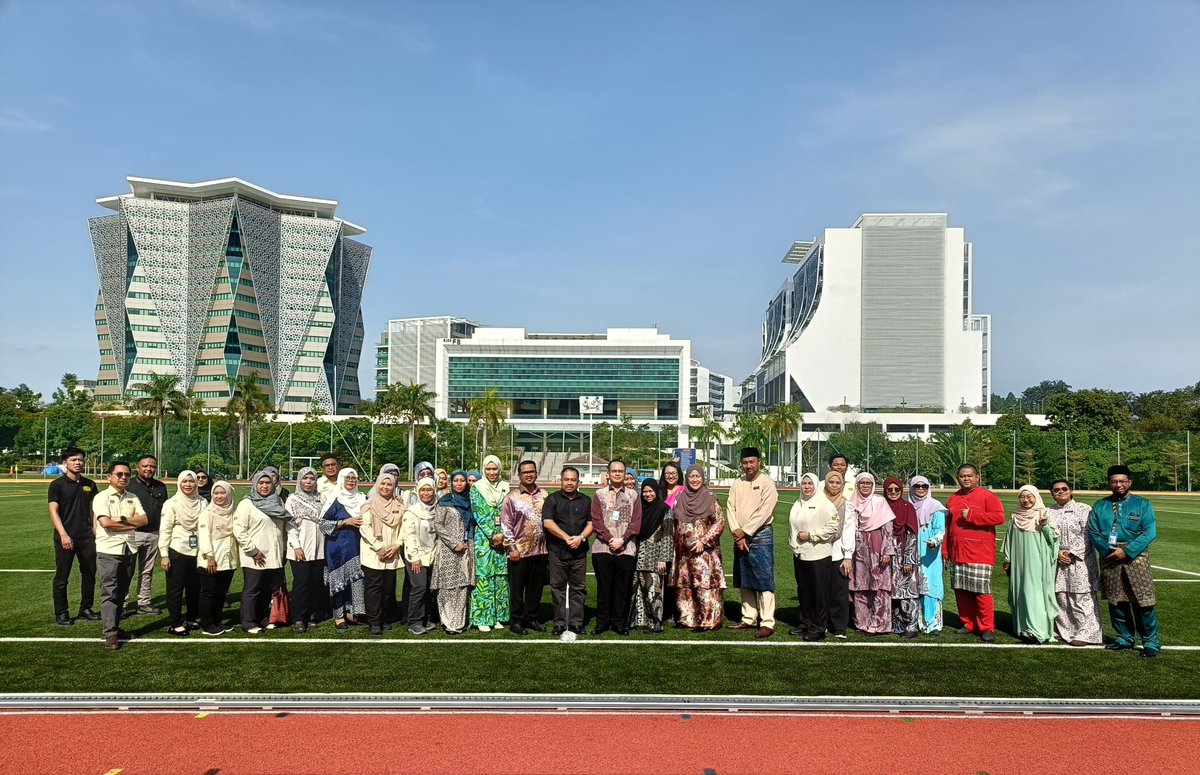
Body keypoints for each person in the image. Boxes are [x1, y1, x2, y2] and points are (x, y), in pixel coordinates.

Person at [1088, 465, 1160, 658]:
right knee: (1116, 599)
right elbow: (1093, 532)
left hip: (1136, 556)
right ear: (1109, 483)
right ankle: (1124, 638)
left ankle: (1150, 642)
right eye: (1114, 481)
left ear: (1129, 483)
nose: (1118, 485)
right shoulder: (1100, 505)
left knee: (1143, 601)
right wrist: (1107, 550)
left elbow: (1149, 531)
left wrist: (1128, 551)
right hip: (1109, 555)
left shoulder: (1142, 504)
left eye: (1122, 481)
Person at [945, 464, 1006, 642]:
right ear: (958, 478)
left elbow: (999, 517)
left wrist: (972, 516)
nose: (966, 479)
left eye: (970, 475)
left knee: (981, 592)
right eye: (962, 476)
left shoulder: (988, 497)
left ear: (977, 477)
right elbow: (949, 526)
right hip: (957, 551)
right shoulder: (953, 499)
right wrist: (946, 549)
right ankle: (968, 623)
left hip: (980, 553)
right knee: (961, 589)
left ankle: (987, 627)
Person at [91, 461, 148, 650]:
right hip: (109, 550)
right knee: (110, 592)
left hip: (129, 549)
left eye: (127, 475)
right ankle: (110, 634)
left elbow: (144, 519)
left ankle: (115, 627)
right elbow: (106, 523)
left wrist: (121, 520)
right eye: (119, 474)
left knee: (122, 592)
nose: (123, 477)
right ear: (109, 477)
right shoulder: (101, 497)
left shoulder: (132, 497)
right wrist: (131, 523)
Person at [726, 447, 780, 638]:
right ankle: (749, 618)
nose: (748, 466)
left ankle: (767, 622)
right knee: (744, 579)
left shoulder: (767, 483)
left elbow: (765, 511)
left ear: (759, 462)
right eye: (745, 462)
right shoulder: (737, 483)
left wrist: (745, 532)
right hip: (739, 537)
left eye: (752, 462)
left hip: (761, 535)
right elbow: (730, 508)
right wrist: (737, 533)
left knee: (764, 580)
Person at [590, 459, 642, 635]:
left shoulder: (633, 495)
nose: (618, 474)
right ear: (608, 474)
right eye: (614, 471)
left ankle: (619, 623)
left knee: (622, 588)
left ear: (625, 473)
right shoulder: (599, 494)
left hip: (626, 549)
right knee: (604, 588)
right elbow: (596, 521)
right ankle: (602, 622)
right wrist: (611, 539)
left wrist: (623, 540)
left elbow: (636, 522)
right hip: (603, 548)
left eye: (621, 471)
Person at [232, 470, 289, 634]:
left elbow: (282, 530)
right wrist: (252, 550)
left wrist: (283, 551)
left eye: (268, 483)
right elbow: (239, 529)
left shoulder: (278, 502)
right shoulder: (247, 503)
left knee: (268, 588)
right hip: (256, 556)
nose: (264, 486)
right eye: (261, 483)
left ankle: (263, 617)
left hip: (274, 554)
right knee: (253, 589)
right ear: (255, 485)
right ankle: (249, 622)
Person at [47, 446, 99, 626]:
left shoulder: (90, 484)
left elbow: (94, 511)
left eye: (80, 460)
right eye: (73, 460)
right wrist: (63, 535)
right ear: (65, 463)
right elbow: (53, 511)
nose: (77, 463)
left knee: (89, 575)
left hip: (86, 538)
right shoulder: (57, 485)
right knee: (62, 577)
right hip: (66, 537)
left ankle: (86, 608)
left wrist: (96, 533)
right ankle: (61, 613)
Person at [670, 466, 726, 631]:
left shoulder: (710, 499)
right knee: (684, 586)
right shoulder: (680, 498)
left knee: (705, 585)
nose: (694, 480)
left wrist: (704, 540)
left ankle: (708, 620)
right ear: (686, 479)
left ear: (702, 478)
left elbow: (719, 522)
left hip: (704, 552)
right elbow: (674, 522)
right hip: (683, 553)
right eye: (691, 477)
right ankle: (688, 619)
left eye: (697, 476)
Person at [1003, 484, 1059, 644]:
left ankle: (1037, 631)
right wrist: (1007, 559)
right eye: (1022, 497)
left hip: (1037, 561)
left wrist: (1044, 525)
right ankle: (1023, 628)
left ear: (1036, 497)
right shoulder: (1015, 516)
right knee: (1020, 593)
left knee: (1034, 592)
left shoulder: (1043, 514)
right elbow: (1009, 540)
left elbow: (1053, 539)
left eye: (1029, 497)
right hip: (1019, 561)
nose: (1026, 500)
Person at [1048, 479, 1102, 646]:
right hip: (1057, 560)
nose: (1061, 492)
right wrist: (1056, 553)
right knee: (1061, 596)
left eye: (1064, 489)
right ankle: (1066, 631)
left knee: (1081, 597)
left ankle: (1087, 633)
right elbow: (1045, 536)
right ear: (1052, 493)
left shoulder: (1084, 509)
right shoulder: (1048, 512)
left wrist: (1072, 553)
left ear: (1071, 491)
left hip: (1081, 560)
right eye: (1056, 490)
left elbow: (1089, 534)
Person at [787, 472, 840, 640]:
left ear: (816, 485)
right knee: (804, 591)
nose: (807, 486)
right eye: (804, 483)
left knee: (819, 593)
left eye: (810, 483)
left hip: (818, 555)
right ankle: (805, 622)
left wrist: (812, 535)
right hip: (800, 554)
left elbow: (833, 527)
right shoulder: (798, 502)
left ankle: (818, 628)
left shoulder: (824, 504)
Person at [542, 466, 592, 635]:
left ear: (578, 482)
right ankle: (559, 623)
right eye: (566, 479)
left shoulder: (586, 500)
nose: (569, 483)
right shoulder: (552, 500)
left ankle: (577, 622)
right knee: (557, 588)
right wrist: (566, 537)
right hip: (557, 551)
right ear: (561, 481)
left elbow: (591, 523)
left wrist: (581, 538)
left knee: (578, 588)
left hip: (579, 552)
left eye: (573, 480)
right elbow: (548, 522)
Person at [501, 460, 548, 636]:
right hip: (519, 552)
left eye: (532, 471)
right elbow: (506, 525)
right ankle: (517, 620)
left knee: (536, 588)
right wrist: (512, 547)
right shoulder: (511, 497)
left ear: (536, 473)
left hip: (541, 550)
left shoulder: (544, 494)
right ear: (519, 475)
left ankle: (531, 618)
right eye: (525, 472)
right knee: (517, 589)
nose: (529, 474)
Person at [319, 468, 367, 629]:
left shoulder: (362, 498)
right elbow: (323, 524)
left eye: (354, 478)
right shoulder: (334, 498)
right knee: (339, 581)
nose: (351, 481)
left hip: (357, 546)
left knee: (356, 580)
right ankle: (338, 616)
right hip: (337, 547)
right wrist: (345, 522)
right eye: (348, 478)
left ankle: (352, 612)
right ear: (341, 479)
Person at [849, 472, 896, 635]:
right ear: (857, 485)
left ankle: (880, 624)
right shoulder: (852, 502)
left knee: (879, 587)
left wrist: (887, 551)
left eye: (868, 483)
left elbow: (888, 529)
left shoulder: (880, 502)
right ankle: (862, 622)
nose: (865, 486)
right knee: (861, 587)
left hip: (877, 547)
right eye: (862, 483)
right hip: (858, 549)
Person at [158, 470, 205, 635]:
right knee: (176, 589)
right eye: (184, 481)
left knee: (195, 588)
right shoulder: (171, 503)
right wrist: (164, 555)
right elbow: (165, 530)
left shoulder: (203, 502)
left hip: (198, 552)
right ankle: (175, 623)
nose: (188, 485)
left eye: (191, 481)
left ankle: (191, 618)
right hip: (177, 550)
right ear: (179, 483)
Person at [359, 469, 405, 636]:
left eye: (389, 484)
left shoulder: (399, 505)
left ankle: (384, 618)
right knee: (373, 589)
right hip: (374, 553)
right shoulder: (369, 504)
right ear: (377, 485)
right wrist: (378, 547)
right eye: (383, 483)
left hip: (391, 552)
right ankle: (374, 621)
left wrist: (397, 545)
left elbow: (402, 528)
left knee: (388, 589)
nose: (386, 487)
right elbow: (365, 528)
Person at [470, 455, 510, 632]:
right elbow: (479, 513)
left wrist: (503, 534)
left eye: (495, 469)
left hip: (503, 538)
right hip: (485, 540)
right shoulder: (477, 488)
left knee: (500, 577)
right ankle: (482, 617)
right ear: (483, 470)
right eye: (488, 469)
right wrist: (494, 535)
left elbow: (509, 512)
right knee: (484, 578)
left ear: (500, 469)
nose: (492, 472)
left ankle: (497, 616)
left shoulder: (505, 487)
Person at [629, 477, 674, 633]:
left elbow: (668, 535)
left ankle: (656, 621)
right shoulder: (639, 509)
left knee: (653, 590)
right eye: (645, 491)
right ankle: (639, 621)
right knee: (638, 589)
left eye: (651, 491)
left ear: (656, 492)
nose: (648, 494)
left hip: (655, 557)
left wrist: (664, 558)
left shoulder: (664, 509)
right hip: (637, 556)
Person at [125, 454, 167, 615]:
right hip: (132, 534)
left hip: (154, 533)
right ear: (138, 467)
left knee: (147, 570)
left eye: (152, 466)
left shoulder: (160, 486)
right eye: (145, 466)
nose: (149, 469)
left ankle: (144, 602)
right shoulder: (129, 485)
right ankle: (123, 603)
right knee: (127, 570)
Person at [433, 471, 475, 635]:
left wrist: (466, 543)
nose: (459, 484)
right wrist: (453, 543)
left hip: (466, 548)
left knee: (462, 585)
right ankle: (448, 622)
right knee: (447, 586)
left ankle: (459, 621)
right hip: (448, 549)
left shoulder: (470, 501)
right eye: (456, 481)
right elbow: (438, 525)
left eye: (462, 481)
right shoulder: (445, 501)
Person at [286, 467, 327, 633]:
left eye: (311, 479)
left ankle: (308, 616)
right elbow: (290, 525)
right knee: (301, 584)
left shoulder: (321, 498)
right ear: (299, 480)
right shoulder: (293, 499)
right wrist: (296, 546)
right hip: (300, 549)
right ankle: (298, 618)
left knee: (314, 584)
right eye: (305, 478)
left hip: (319, 549)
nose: (308, 482)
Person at [196, 481, 238, 636]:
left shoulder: (233, 511)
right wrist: (210, 557)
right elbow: (204, 536)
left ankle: (217, 620)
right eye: (216, 493)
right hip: (212, 558)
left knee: (221, 593)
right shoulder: (207, 513)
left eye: (223, 493)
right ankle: (207, 624)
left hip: (229, 558)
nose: (219, 496)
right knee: (209, 592)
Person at [909, 475, 947, 635]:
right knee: (913, 585)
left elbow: (940, 529)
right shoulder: (908, 506)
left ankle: (932, 624)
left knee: (930, 586)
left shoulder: (935, 506)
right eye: (917, 486)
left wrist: (934, 541)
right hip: (911, 550)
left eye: (924, 486)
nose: (921, 489)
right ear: (911, 488)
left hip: (929, 552)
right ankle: (916, 621)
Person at [883, 477, 921, 638]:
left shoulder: (907, 507)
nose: (893, 493)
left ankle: (911, 626)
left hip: (903, 553)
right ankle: (897, 625)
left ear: (901, 490)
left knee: (907, 592)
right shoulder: (882, 506)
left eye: (896, 490)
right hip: (886, 554)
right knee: (891, 591)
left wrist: (908, 559)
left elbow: (912, 535)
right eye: (889, 490)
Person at [402, 477, 439, 634]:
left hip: (433, 555)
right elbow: (409, 536)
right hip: (416, 556)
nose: (426, 493)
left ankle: (427, 618)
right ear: (418, 491)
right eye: (423, 490)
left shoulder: (437, 509)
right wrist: (415, 557)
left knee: (430, 588)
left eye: (429, 489)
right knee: (419, 587)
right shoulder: (412, 511)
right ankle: (414, 622)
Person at [824, 470, 853, 638]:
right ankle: (823, 622)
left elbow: (849, 530)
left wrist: (848, 556)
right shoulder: (819, 502)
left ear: (842, 485)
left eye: (838, 483)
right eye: (831, 482)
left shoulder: (847, 505)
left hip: (839, 554)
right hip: (820, 552)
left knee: (839, 592)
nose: (834, 485)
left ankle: (839, 626)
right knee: (821, 591)